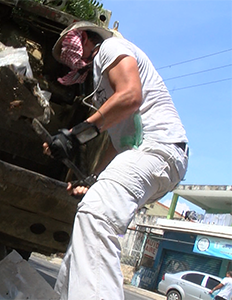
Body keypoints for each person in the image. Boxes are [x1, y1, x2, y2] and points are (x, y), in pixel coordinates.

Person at [44, 21, 189, 299]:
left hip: (158, 148)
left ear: (84, 38)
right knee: (86, 231)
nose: (66, 57)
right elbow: (117, 141)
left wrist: (75, 135)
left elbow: (131, 97)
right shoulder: (99, 83)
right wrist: (92, 179)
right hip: (146, 155)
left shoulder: (110, 48)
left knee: (97, 215)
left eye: (68, 49)